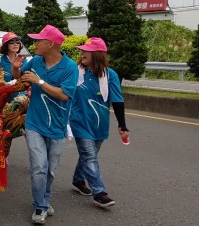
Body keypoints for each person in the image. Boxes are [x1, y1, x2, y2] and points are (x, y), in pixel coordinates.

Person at [11, 25, 78, 224]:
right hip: (34, 124)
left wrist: (39, 82)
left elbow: (65, 95)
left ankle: (44, 199)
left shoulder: (70, 67)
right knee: (39, 166)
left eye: (39, 40)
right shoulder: (36, 62)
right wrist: (15, 67)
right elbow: (20, 79)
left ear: (51, 44)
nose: (35, 44)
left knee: (50, 170)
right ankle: (39, 206)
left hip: (57, 126)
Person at [69, 37, 129, 208]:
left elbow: (117, 101)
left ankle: (78, 180)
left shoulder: (110, 75)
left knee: (89, 155)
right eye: (82, 50)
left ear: (97, 54)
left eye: (85, 50)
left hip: (99, 123)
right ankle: (99, 193)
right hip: (79, 121)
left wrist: (122, 125)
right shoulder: (76, 72)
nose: (81, 53)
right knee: (89, 155)